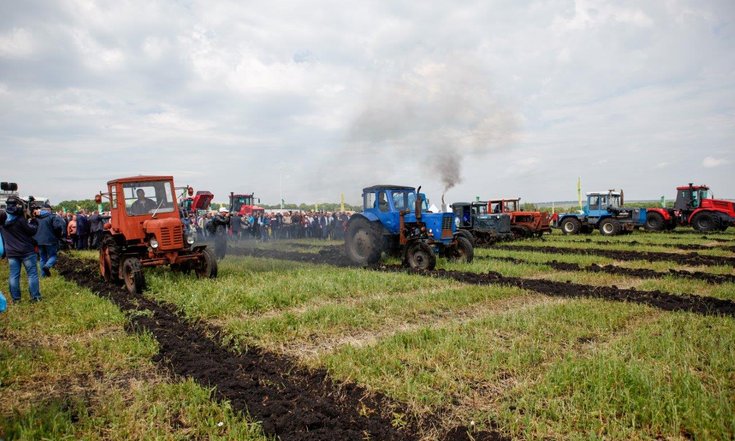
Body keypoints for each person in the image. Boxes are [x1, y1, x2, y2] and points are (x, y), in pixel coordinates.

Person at [0, 196, 41, 303]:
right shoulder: (20, 219)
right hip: (26, 250)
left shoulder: (2, 219)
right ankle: (35, 297)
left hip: (11, 252)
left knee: (14, 275)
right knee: (32, 274)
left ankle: (16, 299)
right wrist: (34, 221)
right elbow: (31, 231)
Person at [34, 203, 66, 277]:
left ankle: (43, 275)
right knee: (53, 256)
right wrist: (58, 236)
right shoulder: (52, 217)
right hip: (50, 240)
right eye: (50, 209)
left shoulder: (36, 218)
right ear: (48, 210)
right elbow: (57, 228)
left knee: (42, 257)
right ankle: (47, 266)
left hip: (39, 241)